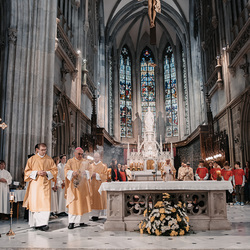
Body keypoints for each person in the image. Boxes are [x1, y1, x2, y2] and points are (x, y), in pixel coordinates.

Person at [23, 143, 58, 231]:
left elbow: (54, 171)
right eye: (42, 150)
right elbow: (26, 172)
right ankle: (36, 223)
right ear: (37, 150)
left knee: (45, 204)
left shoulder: (49, 159)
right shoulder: (32, 159)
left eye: (45, 149)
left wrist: (47, 173)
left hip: (45, 185)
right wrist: (36, 173)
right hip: (35, 185)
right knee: (35, 204)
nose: (44, 151)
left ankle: (43, 224)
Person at [64, 147, 91, 229]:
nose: (80, 155)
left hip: (83, 187)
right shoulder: (70, 161)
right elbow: (66, 170)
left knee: (83, 203)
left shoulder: (86, 162)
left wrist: (85, 172)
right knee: (73, 203)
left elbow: (90, 170)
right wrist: (72, 173)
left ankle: (82, 221)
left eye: (82, 154)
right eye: (79, 154)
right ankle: (71, 222)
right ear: (74, 153)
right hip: (73, 186)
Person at [89, 152, 107, 221]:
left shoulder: (103, 166)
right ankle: (93, 215)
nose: (96, 158)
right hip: (91, 185)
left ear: (99, 157)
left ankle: (97, 215)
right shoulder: (90, 166)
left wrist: (96, 175)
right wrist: (90, 175)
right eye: (95, 157)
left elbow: (104, 176)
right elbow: (87, 174)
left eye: (97, 157)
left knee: (98, 200)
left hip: (99, 186)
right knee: (92, 199)